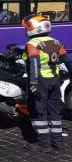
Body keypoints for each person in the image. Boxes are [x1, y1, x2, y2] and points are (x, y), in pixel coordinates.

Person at [22, 14, 72, 152]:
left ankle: (44, 144)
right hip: (55, 80)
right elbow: (68, 61)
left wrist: (33, 83)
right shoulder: (56, 42)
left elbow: (34, 65)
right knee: (54, 111)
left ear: (34, 28)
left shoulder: (32, 44)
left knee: (39, 112)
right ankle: (58, 142)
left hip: (41, 81)